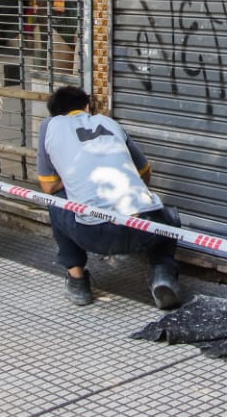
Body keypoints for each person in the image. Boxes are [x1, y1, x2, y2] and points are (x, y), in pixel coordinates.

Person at [36, 85, 182, 310]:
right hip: (145, 226)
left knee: (57, 199)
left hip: (94, 233)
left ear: (54, 113)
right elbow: (146, 173)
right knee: (170, 216)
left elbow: (48, 186)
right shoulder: (110, 123)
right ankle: (163, 276)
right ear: (87, 107)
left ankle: (77, 283)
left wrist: (71, 176)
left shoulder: (49, 126)